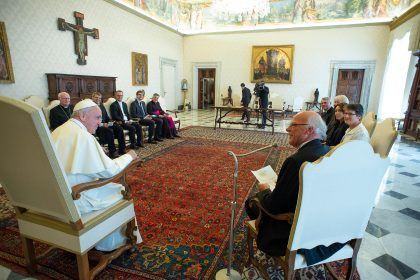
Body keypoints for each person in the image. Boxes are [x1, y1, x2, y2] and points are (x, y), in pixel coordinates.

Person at [245, 111, 344, 265]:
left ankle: (270, 249)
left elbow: (273, 206)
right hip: (318, 226)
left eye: (293, 125)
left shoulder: (296, 161)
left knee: (252, 201)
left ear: (309, 130)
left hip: (292, 232)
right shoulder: (327, 151)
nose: (287, 129)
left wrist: (264, 189)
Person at [51, 99, 142, 251]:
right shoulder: (82, 136)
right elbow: (110, 171)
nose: (100, 122)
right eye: (98, 117)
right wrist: (129, 156)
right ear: (82, 116)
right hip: (76, 199)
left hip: (56, 198)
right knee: (120, 190)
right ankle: (114, 243)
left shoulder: (59, 130)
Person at [91, 92, 126, 157]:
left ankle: (122, 149)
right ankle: (112, 152)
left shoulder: (101, 105)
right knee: (109, 131)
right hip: (96, 127)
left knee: (119, 128)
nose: (98, 99)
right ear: (92, 98)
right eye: (96, 97)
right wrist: (102, 124)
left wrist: (110, 122)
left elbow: (106, 117)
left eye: (99, 98)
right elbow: (91, 121)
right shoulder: (90, 107)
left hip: (105, 124)